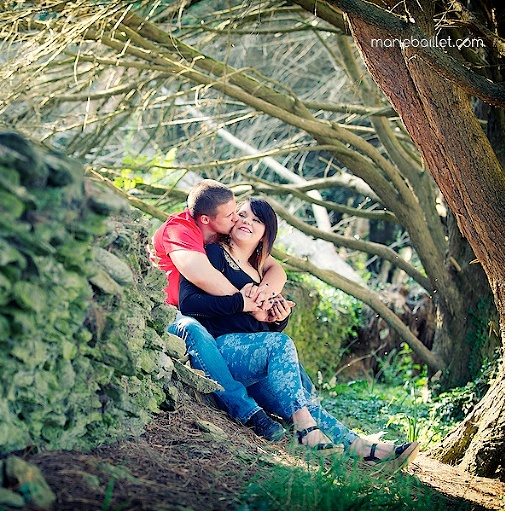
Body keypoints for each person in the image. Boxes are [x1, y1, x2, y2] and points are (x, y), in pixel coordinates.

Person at [178, 197, 419, 467]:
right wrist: (242, 302)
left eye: (256, 220)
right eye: (242, 215)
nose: (246, 222)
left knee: (303, 403)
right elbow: (189, 302)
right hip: (221, 348)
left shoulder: (262, 274)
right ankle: (306, 431)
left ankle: (364, 447)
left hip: (252, 360)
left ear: (264, 235)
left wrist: (277, 318)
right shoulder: (213, 254)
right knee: (281, 347)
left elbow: (258, 326)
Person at [151, 179, 291, 441]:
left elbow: (274, 266)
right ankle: (248, 412)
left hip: (211, 318)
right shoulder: (180, 230)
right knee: (192, 330)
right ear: (206, 219)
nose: (237, 220)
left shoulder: (219, 230)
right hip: (166, 312)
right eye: (232, 215)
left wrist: (265, 294)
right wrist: (248, 303)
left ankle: (312, 423)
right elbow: (202, 276)